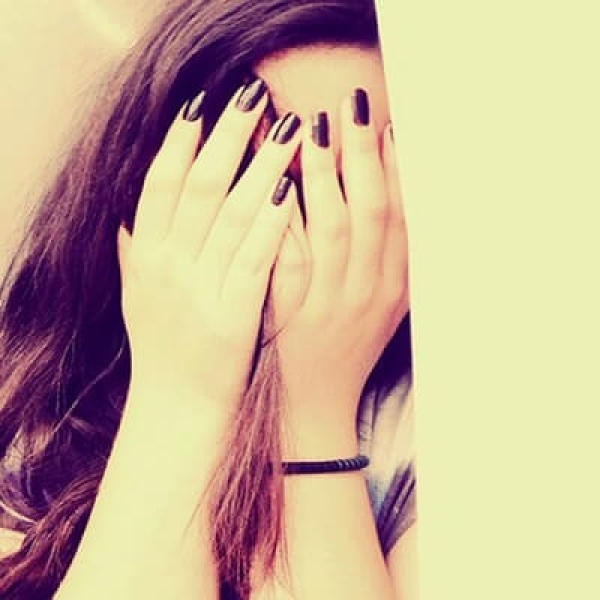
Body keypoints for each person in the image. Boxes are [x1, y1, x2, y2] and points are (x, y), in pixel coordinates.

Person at [0, 0, 416, 598]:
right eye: (257, 178)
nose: (304, 239)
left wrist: (310, 409)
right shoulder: (32, 411)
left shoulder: (428, 435)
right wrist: (181, 390)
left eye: (354, 192)